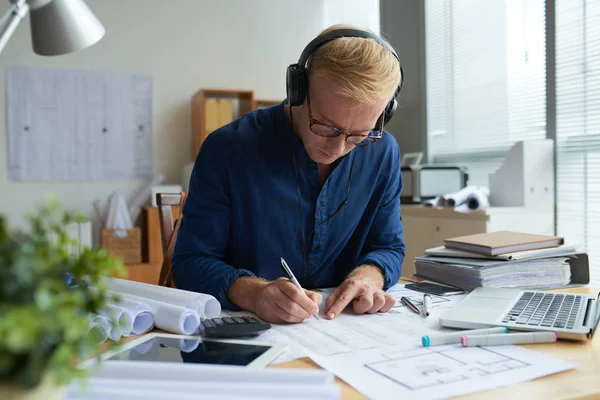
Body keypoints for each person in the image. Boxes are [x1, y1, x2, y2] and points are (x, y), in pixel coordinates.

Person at [172, 24, 405, 324]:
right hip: (247, 338)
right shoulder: (227, 149)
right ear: (299, 89)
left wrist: (369, 276)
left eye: (358, 135)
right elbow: (190, 263)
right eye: (325, 126)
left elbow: (388, 247)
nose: (337, 148)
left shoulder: (382, 151)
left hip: (342, 336)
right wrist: (253, 293)